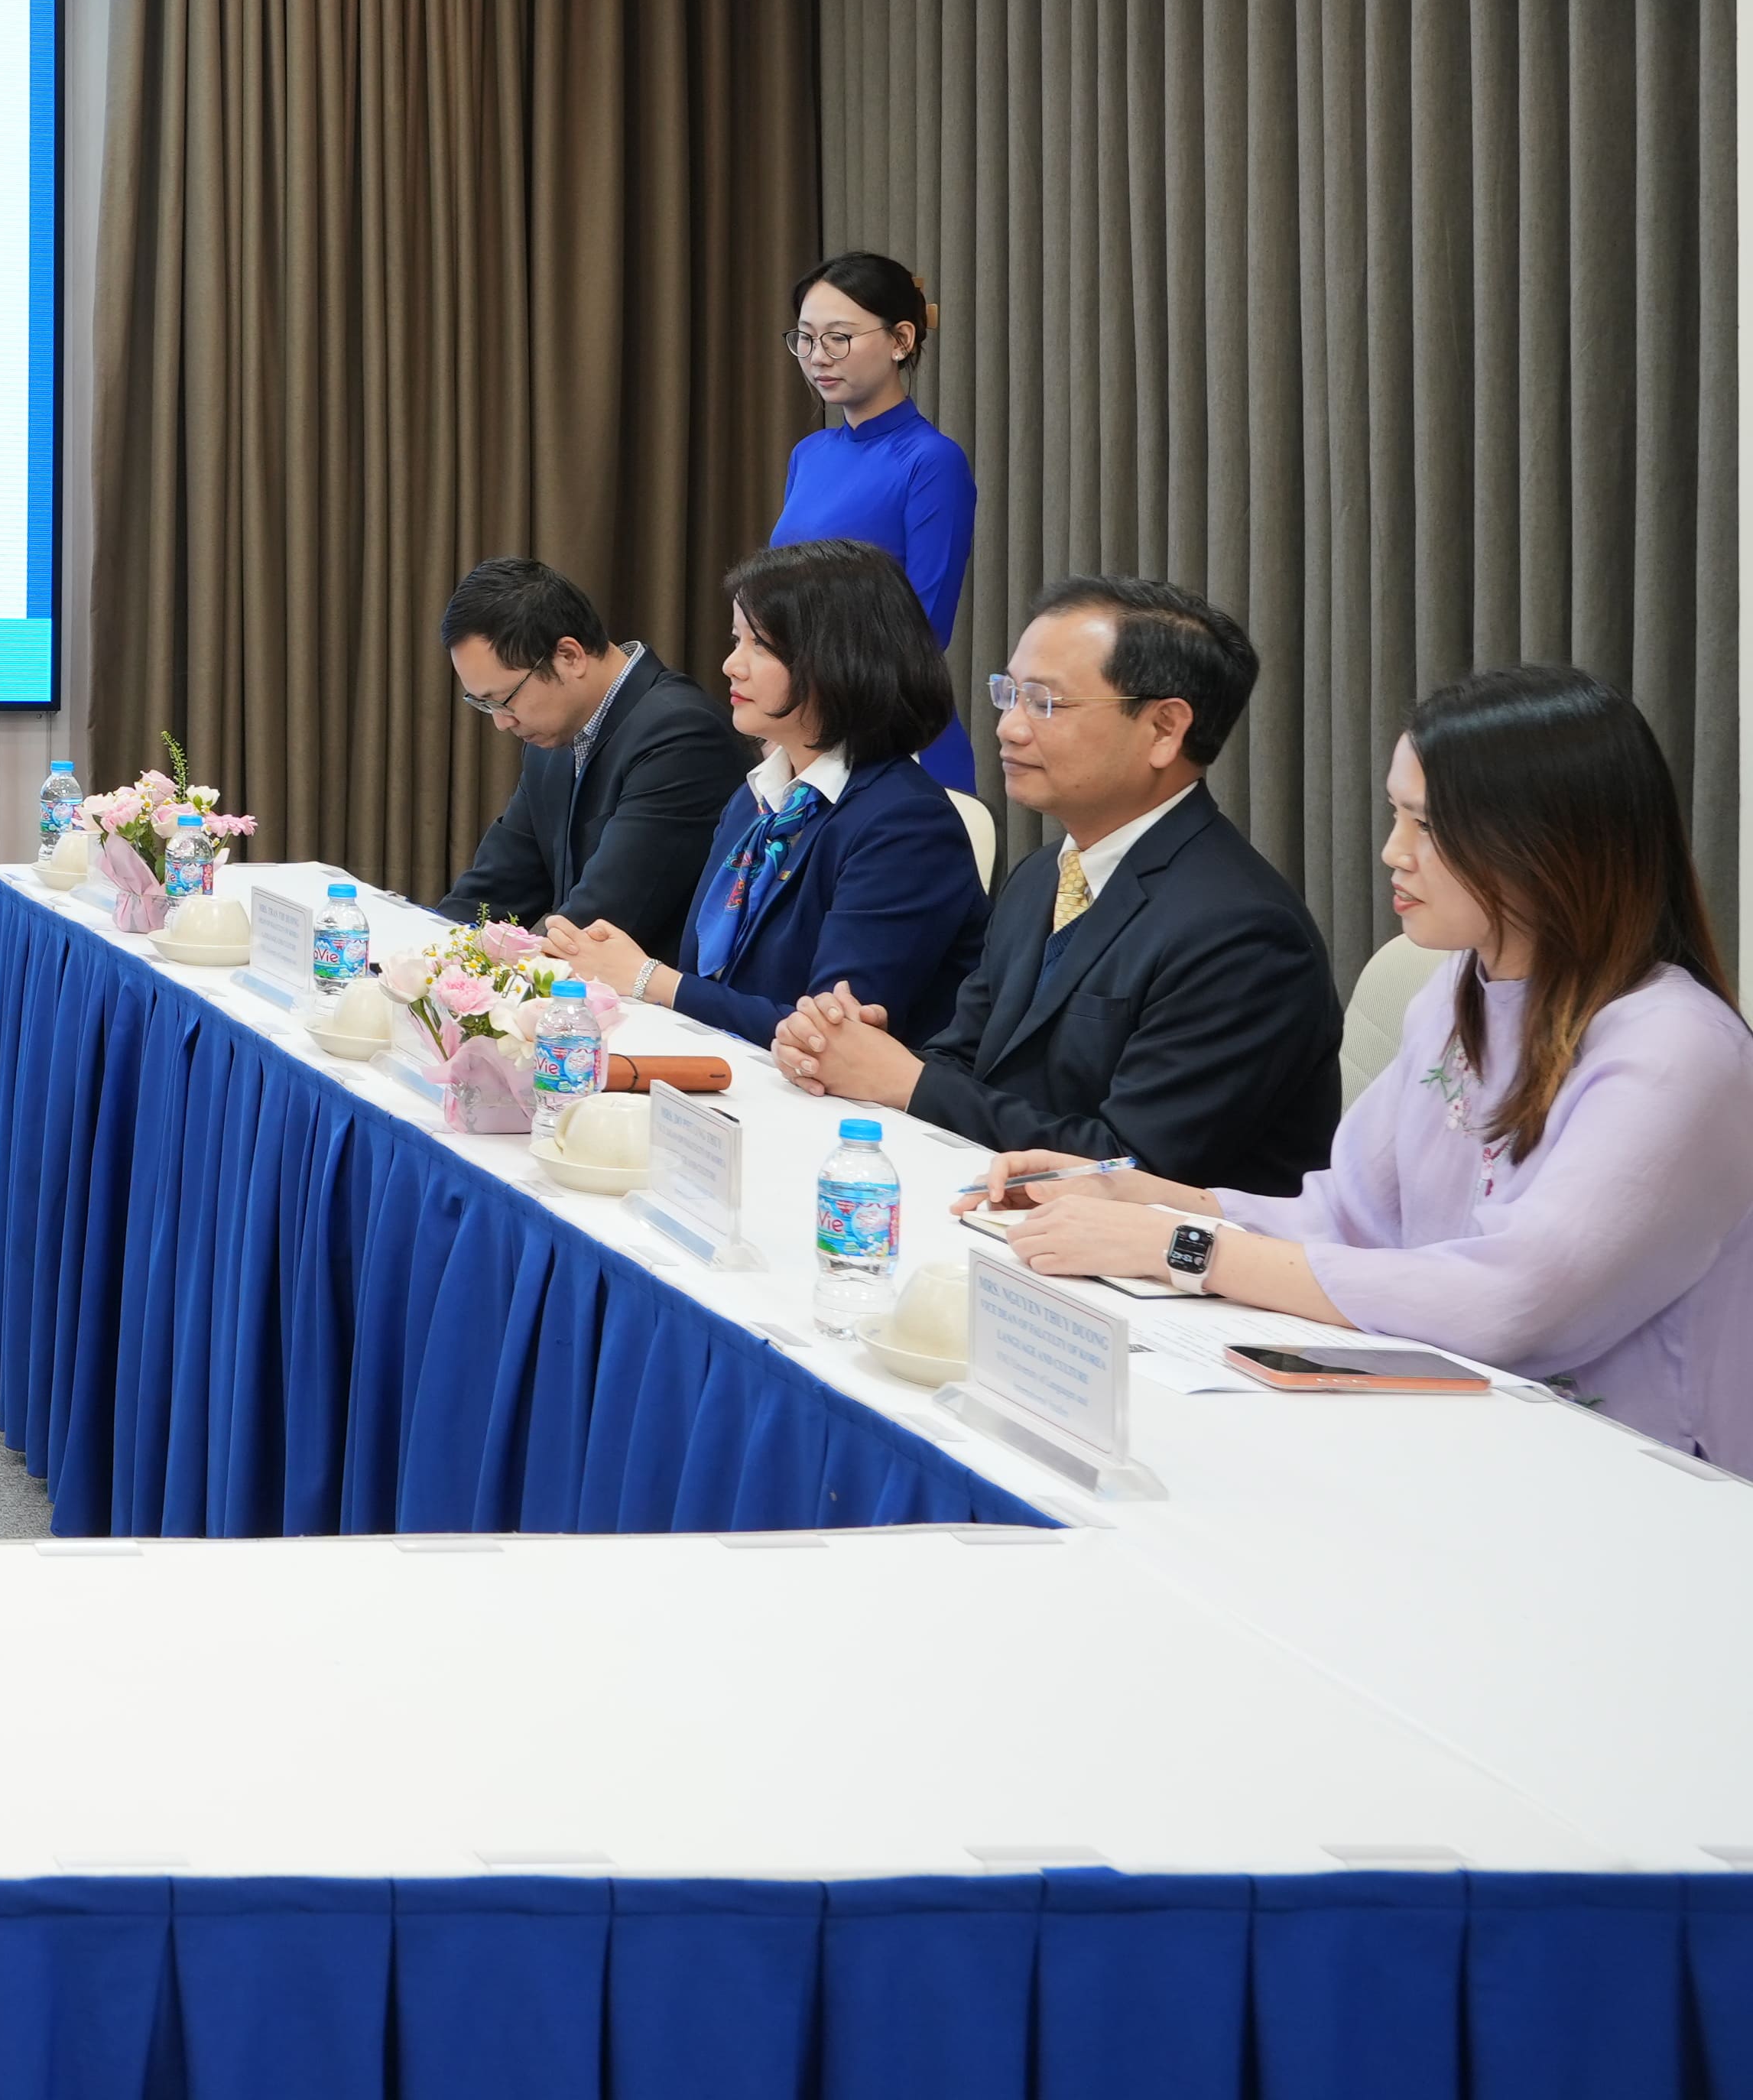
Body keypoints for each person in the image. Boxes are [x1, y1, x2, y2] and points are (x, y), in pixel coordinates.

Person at [979, 670, 1753, 1461]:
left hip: (1626, 1472)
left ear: (1550, 844)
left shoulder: (1673, 1049)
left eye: (1427, 825)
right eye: (1396, 814)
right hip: (1459, 1433)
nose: (1393, 852)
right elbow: (1351, 1218)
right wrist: (1141, 1195)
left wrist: (1179, 1247)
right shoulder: (1460, 988)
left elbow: (1511, 1302)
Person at [778, 573, 1340, 1190]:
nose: (1009, 727)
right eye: (1009, 694)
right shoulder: (1044, 873)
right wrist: (854, 1052)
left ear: (1163, 729)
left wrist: (907, 1082)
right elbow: (968, 1058)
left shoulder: (1244, 932)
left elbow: (1133, 1165)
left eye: (1044, 702)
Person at [547, 539, 983, 1047]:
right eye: (737, 640)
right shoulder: (757, 799)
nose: (732, 665)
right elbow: (716, 979)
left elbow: (832, 1036)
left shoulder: (905, 824)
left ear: (838, 658)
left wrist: (650, 979)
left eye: (761, 645)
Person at [432, 556, 747, 962]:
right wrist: (426, 957)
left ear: (570, 656)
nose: (501, 722)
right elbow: (494, 891)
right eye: (484, 705)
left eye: (504, 699)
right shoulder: (552, 742)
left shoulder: (682, 735)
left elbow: (596, 923)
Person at [772, 251, 976, 791]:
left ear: (901, 340)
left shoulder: (931, 461)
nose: (818, 356)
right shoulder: (809, 454)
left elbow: (925, 626)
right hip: (803, 724)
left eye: (839, 338)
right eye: (805, 338)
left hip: (890, 731)